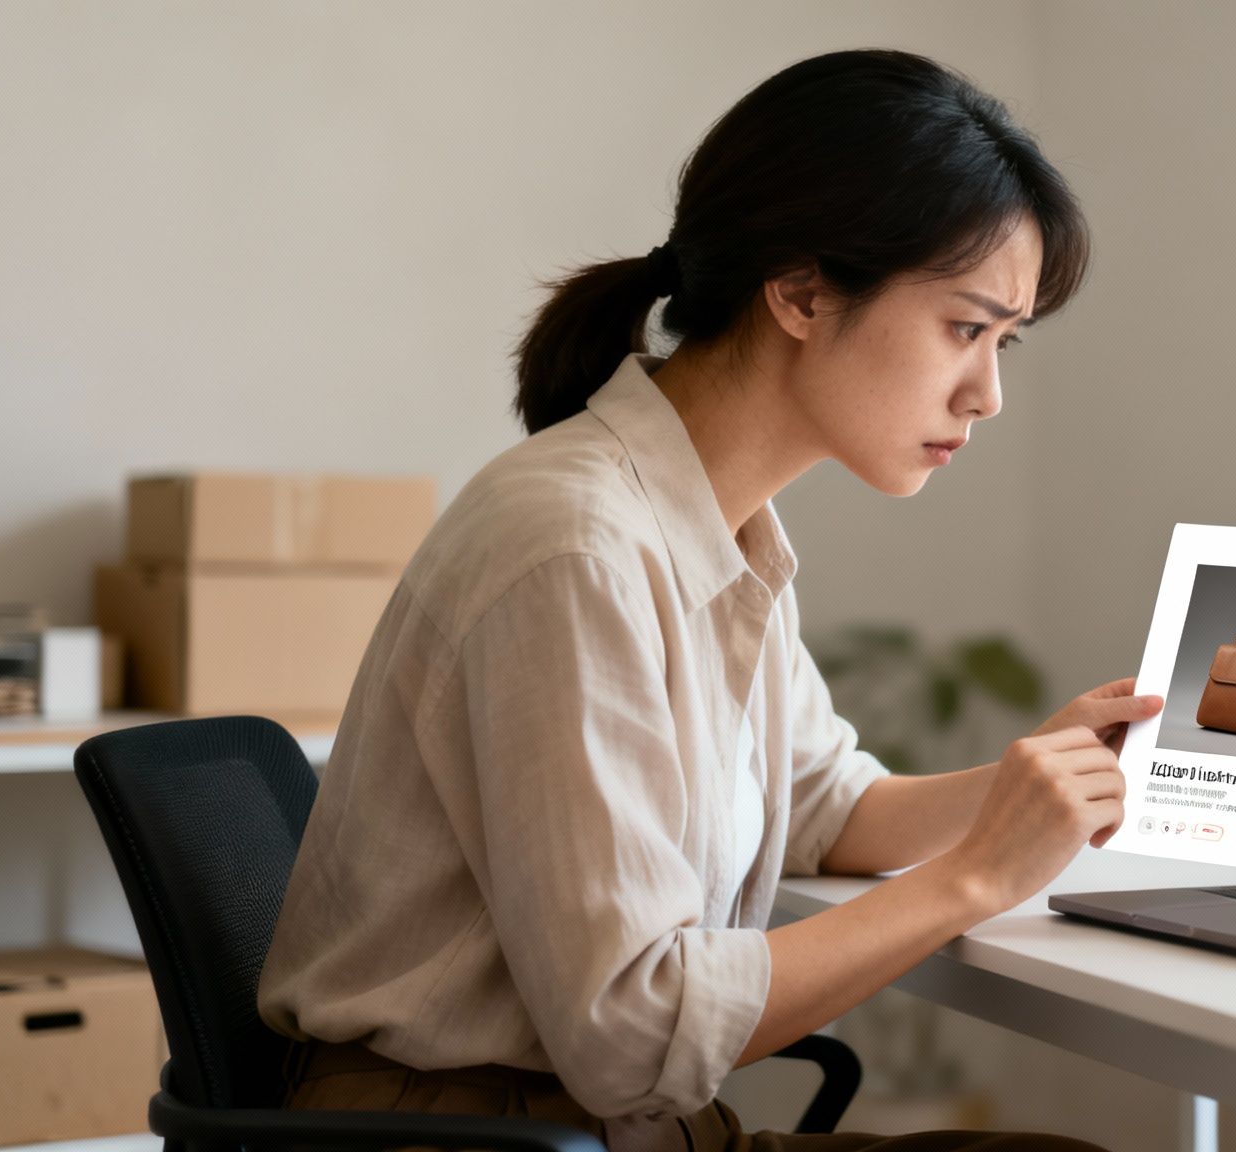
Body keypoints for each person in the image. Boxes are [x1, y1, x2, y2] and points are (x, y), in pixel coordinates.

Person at [256, 47, 1162, 1152]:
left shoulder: (714, 529)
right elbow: (631, 1034)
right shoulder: (578, 548)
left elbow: (828, 814)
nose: (988, 394)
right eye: (965, 330)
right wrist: (976, 877)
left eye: (1004, 341)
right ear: (800, 291)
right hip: (472, 1136)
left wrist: (1033, 781)